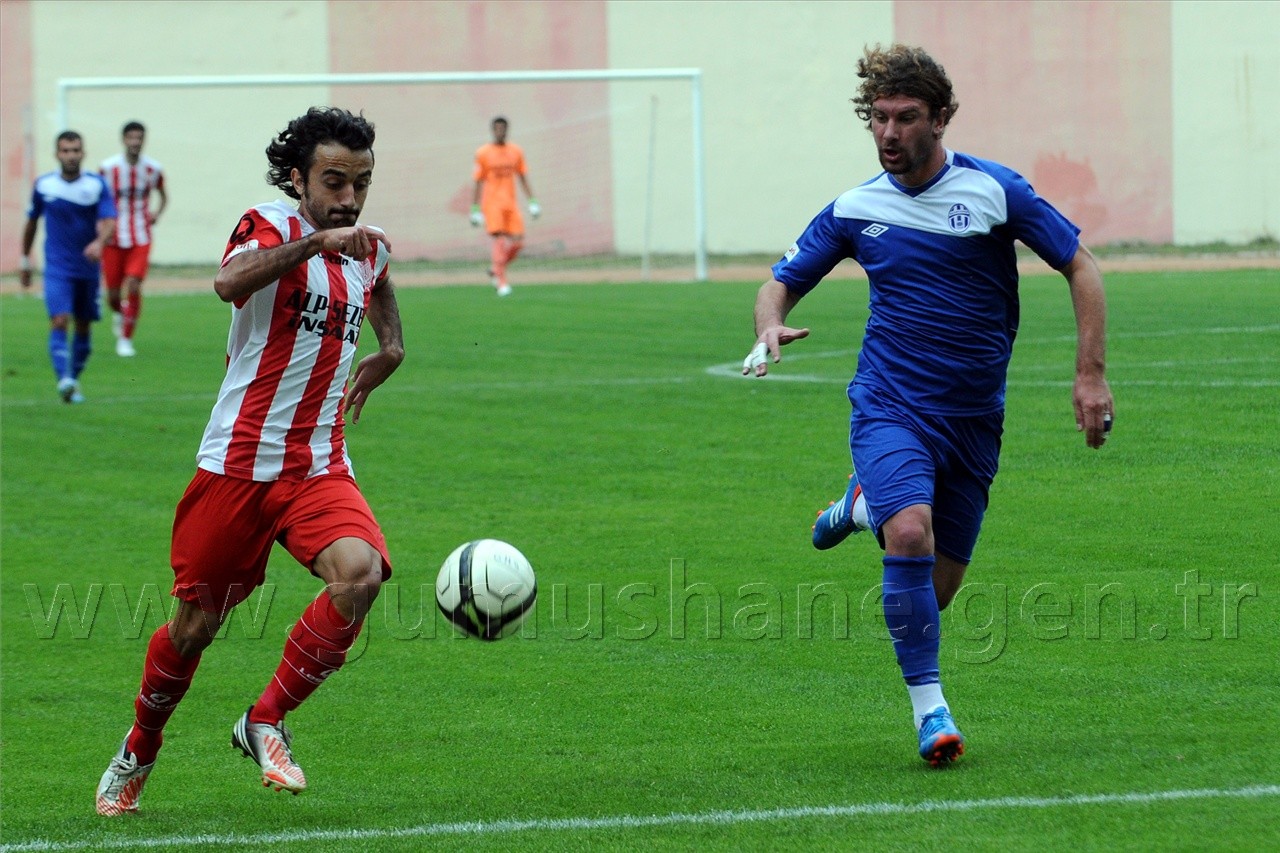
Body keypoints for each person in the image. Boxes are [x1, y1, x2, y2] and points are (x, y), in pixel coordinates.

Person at [742, 44, 1113, 768]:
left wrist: (1090, 374)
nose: (888, 132)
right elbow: (778, 283)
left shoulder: (993, 192)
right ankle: (931, 711)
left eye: (906, 117)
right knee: (909, 535)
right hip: (890, 404)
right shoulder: (855, 208)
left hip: (974, 419)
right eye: (878, 118)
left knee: (933, 595)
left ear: (940, 119)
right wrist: (768, 322)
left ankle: (858, 507)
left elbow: (1080, 265)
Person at [95, 107, 405, 816]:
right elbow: (229, 283)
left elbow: (381, 279)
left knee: (358, 576)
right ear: (298, 178)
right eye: (334, 181)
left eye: (360, 183)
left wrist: (391, 346)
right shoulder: (270, 224)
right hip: (237, 463)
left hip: (319, 464)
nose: (350, 198)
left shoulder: (364, 244)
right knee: (193, 629)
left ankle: (264, 717)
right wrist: (315, 242)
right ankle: (139, 747)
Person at [19, 131, 116, 403]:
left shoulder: (96, 185)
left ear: (82, 153)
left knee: (83, 326)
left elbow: (109, 220)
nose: (71, 155)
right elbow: (31, 224)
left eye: (75, 150)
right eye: (65, 150)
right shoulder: (44, 186)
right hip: (57, 267)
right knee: (60, 319)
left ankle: (72, 379)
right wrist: (25, 259)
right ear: (57, 154)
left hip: (87, 268)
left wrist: (99, 242)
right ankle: (63, 379)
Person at [100, 120, 168, 357]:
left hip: (141, 235)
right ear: (124, 139)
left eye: (139, 138)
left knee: (134, 285)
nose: (135, 142)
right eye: (131, 138)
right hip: (113, 237)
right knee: (113, 295)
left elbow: (163, 195)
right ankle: (120, 313)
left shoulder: (153, 169)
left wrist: (156, 214)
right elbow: (98, 198)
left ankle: (126, 340)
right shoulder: (108, 168)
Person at [471, 116, 539, 296]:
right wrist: (475, 209)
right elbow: (478, 181)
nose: (500, 132)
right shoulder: (483, 153)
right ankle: (501, 282)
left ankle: (495, 268)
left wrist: (532, 201)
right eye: (497, 128)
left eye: (503, 128)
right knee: (499, 240)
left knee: (518, 242)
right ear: (492, 130)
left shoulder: (515, 151)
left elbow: (523, 176)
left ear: (507, 130)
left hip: (511, 203)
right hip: (492, 203)